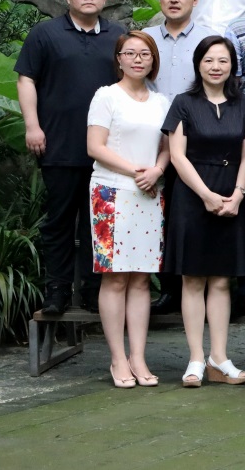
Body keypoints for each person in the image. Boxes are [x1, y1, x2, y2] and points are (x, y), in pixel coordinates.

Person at [16, 0, 126, 315]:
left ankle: (94, 291)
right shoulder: (45, 34)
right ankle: (57, 291)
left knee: (99, 222)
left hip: (107, 151)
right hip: (59, 144)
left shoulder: (118, 36)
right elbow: (26, 80)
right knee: (59, 222)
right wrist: (32, 125)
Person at [161, 35, 245, 388]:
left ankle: (220, 357)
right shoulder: (183, 103)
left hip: (233, 195)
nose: (216, 67)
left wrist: (237, 194)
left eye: (223, 61)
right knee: (192, 278)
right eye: (209, 60)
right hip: (192, 196)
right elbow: (176, 155)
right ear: (198, 64)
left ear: (232, 65)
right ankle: (196, 359)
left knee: (221, 279)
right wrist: (205, 194)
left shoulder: (244, 104)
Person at [86, 32, 171, 388]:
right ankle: (117, 359)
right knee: (115, 276)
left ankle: (138, 356)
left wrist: (157, 170)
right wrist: (137, 171)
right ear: (119, 58)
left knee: (141, 278)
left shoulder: (162, 101)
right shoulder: (106, 96)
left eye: (145, 54)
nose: (138, 59)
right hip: (111, 192)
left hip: (150, 194)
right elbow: (95, 146)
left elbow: (167, 147)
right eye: (130, 53)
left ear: (153, 60)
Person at [144, 0, 219, 314]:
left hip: (197, 140)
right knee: (159, 213)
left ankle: (207, 286)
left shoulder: (210, 39)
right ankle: (169, 289)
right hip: (151, 138)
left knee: (192, 213)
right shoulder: (144, 40)